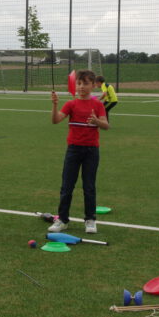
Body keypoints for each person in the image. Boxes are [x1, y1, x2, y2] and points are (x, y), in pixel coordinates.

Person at [48, 70, 109, 234]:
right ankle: (62, 219)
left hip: (91, 151)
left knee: (89, 187)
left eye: (86, 84)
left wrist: (96, 121)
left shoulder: (98, 104)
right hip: (73, 150)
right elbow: (55, 120)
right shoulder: (70, 104)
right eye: (79, 83)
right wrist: (54, 105)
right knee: (67, 186)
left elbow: (106, 125)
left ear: (93, 85)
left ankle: (90, 220)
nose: (82, 87)